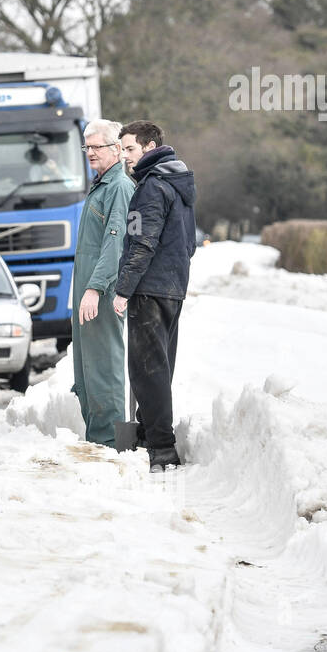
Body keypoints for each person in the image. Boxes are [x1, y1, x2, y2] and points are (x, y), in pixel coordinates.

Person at [112, 121, 197, 472]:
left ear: (149, 147)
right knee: (158, 368)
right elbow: (188, 243)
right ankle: (147, 435)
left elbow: (140, 243)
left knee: (147, 371)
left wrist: (123, 289)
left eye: (130, 149)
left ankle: (162, 449)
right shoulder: (179, 183)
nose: (125, 156)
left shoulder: (150, 187)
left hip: (149, 287)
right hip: (173, 286)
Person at [69, 119, 135, 447]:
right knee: (86, 371)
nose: (90, 153)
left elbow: (115, 244)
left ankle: (113, 445)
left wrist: (94, 288)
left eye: (97, 147)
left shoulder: (119, 188)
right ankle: (98, 441)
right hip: (88, 291)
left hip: (102, 293)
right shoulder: (100, 185)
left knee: (104, 367)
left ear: (116, 149)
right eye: (87, 147)